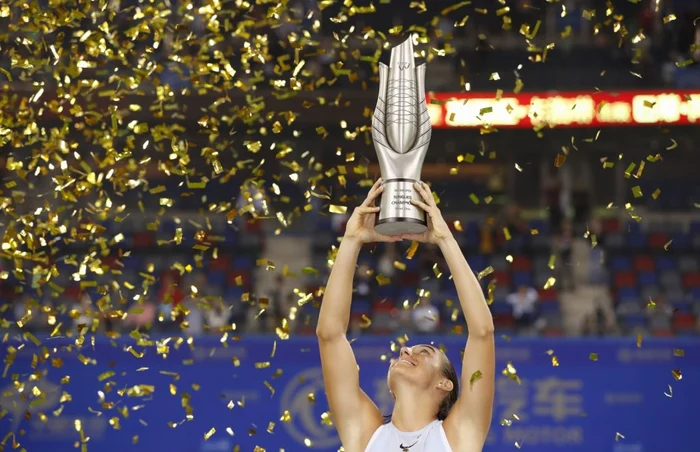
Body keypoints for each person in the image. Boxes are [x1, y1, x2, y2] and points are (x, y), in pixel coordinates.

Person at [316, 179, 495, 452]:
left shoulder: (459, 435)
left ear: (444, 384)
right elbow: (329, 335)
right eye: (417, 349)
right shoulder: (366, 434)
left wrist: (444, 238)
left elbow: (482, 333)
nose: (405, 349)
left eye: (424, 352)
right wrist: (352, 239)